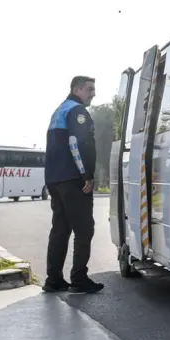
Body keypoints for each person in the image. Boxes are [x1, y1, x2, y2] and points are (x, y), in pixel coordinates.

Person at [43, 76, 103, 294]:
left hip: (55, 179)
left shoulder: (59, 111)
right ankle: (79, 279)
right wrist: (86, 175)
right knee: (84, 228)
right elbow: (76, 143)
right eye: (90, 89)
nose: (93, 93)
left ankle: (54, 279)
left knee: (60, 229)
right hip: (73, 180)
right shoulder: (77, 111)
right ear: (77, 89)